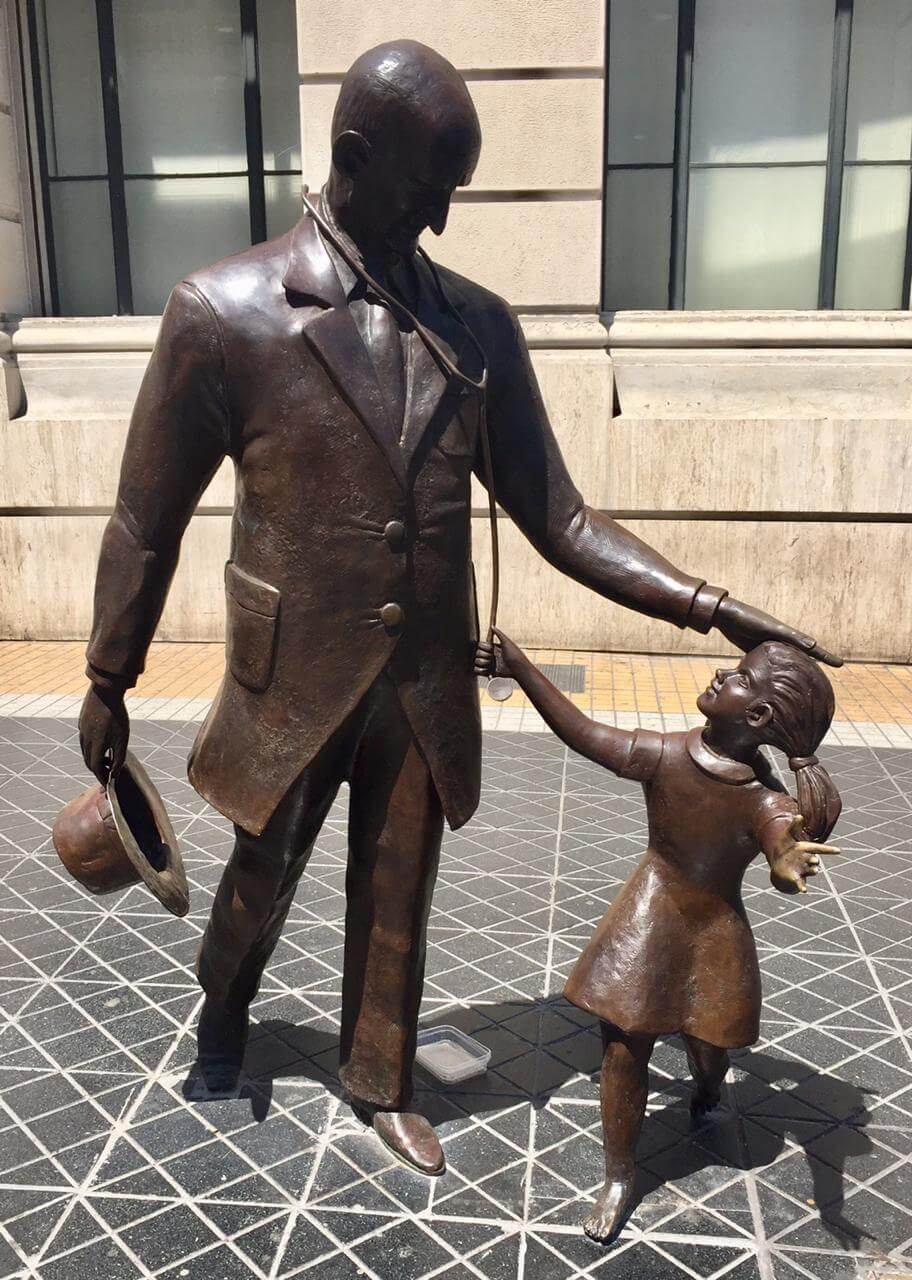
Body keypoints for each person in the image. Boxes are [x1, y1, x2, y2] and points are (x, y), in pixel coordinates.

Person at [77, 39, 841, 1177]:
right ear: (352, 156)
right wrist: (108, 675)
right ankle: (224, 1009)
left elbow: (561, 517)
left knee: (399, 894)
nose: (441, 216)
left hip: (423, 679)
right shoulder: (223, 312)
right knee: (258, 878)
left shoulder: (477, 328)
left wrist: (715, 608)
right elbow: (146, 519)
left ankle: (378, 1078)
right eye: (428, 185)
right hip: (292, 674)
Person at [493, 630, 841, 1241]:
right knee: (623, 1048)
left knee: (709, 1045)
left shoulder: (763, 797)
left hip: (715, 933)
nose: (721, 675)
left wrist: (785, 860)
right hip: (647, 919)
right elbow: (584, 733)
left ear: (758, 716)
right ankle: (619, 1173)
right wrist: (520, 668)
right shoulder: (665, 754)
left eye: (739, 677)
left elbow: (780, 839)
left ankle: (707, 1091)